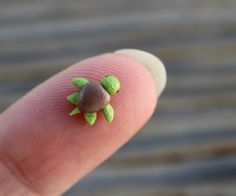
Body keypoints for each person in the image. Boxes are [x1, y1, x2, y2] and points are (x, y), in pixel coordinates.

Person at [0, 49, 166, 195]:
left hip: (82, 101)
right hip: (87, 108)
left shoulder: (90, 85)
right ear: (114, 90)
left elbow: (77, 82)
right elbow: (109, 114)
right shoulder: (106, 101)